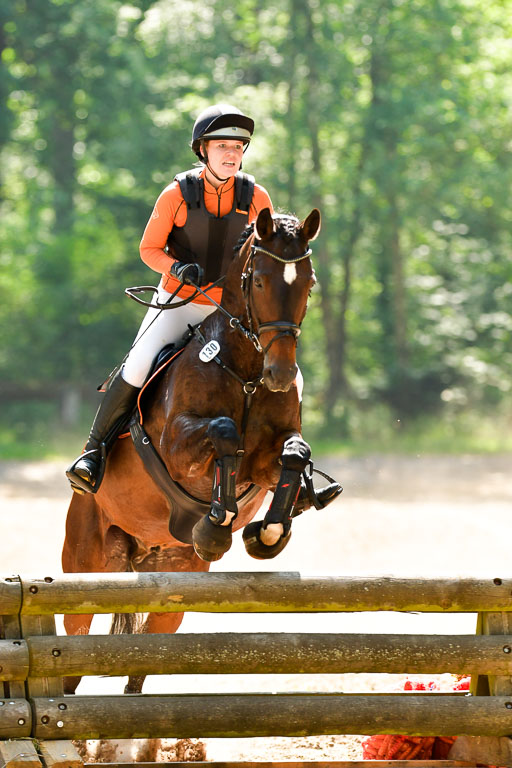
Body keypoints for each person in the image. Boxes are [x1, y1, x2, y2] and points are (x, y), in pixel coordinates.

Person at [67, 104, 274, 494]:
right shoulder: (176, 193)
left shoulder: (257, 196)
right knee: (139, 362)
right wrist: (177, 268)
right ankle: (94, 453)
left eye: (239, 146)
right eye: (223, 146)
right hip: (179, 304)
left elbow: (269, 252)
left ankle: (295, 470)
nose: (233, 154)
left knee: (280, 371)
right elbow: (149, 250)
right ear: (203, 150)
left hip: (229, 312)